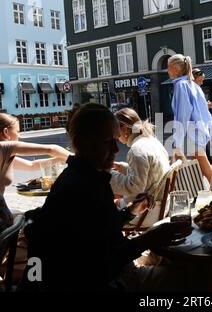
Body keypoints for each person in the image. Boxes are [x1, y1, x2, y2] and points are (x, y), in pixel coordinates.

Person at [20, 103, 191, 291]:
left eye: (115, 141)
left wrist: (129, 212)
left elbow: (98, 229)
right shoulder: (84, 187)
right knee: (196, 277)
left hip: (94, 274)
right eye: (107, 142)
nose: (116, 150)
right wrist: (149, 239)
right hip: (100, 282)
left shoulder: (83, 177)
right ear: (81, 143)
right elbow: (103, 264)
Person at [0, 113, 71, 232]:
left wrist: (60, 159)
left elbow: (32, 165)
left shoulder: (5, 154)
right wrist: (81, 160)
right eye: (17, 131)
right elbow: (51, 149)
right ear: (6, 132)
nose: (19, 136)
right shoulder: (3, 147)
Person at [168, 54, 212, 177]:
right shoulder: (194, 86)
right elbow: (205, 113)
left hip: (190, 135)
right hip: (198, 134)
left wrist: (177, 142)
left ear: (175, 68)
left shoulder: (181, 86)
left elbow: (182, 115)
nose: (167, 70)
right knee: (194, 172)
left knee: (204, 171)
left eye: (168, 67)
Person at [110, 107, 170, 208]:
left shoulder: (136, 149)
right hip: (162, 206)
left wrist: (109, 175)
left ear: (124, 129)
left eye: (116, 132)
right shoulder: (152, 141)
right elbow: (149, 173)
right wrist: (123, 168)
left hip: (146, 212)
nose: (116, 136)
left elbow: (135, 188)